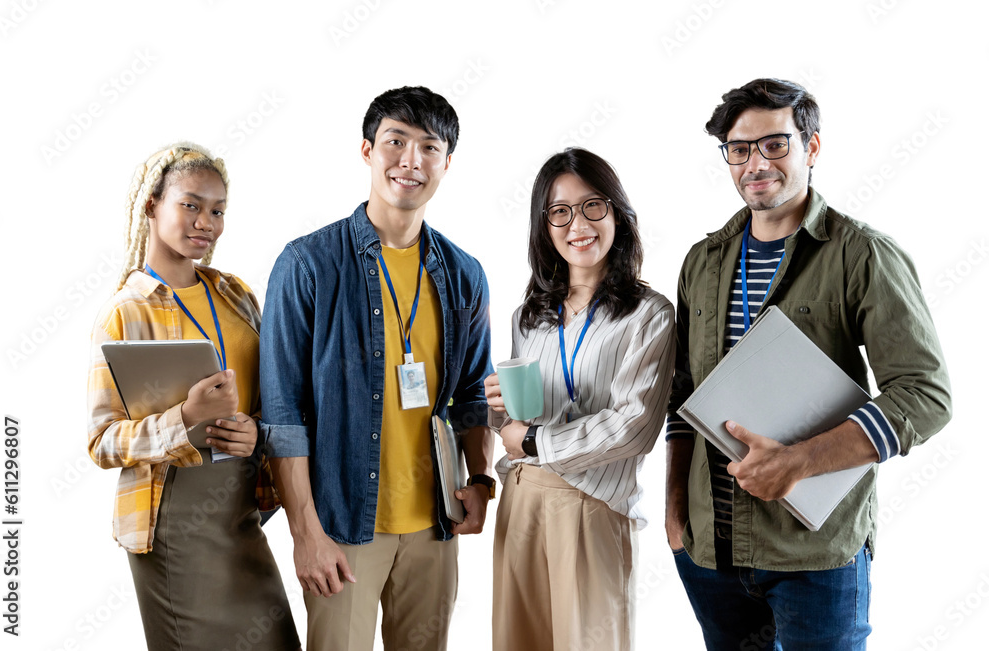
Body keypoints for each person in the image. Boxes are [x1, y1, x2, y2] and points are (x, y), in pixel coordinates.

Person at [664, 78, 952, 649]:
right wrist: (675, 508)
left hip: (813, 557)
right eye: (739, 149)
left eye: (775, 144)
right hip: (710, 551)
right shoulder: (703, 261)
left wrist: (799, 462)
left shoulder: (861, 254)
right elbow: (683, 391)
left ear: (811, 147)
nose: (755, 163)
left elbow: (925, 394)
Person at [259, 86, 495, 651]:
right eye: (396, 142)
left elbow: (472, 395)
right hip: (343, 525)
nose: (410, 161)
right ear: (367, 151)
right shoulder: (307, 263)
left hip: (434, 525)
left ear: (447, 163)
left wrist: (482, 480)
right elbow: (283, 414)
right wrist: (305, 534)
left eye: (428, 148)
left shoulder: (464, 273)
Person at [86, 142, 300, 650]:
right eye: (191, 204)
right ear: (151, 205)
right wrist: (185, 417)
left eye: (218, 210)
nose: (206, 221)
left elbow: (274, 395)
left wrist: (256, 428)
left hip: (243, 509)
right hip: (173, 518)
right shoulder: (126, 311)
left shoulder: (235, 293)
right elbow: (102, 442)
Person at [484, 148, 675, 651]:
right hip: (521, 497)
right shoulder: (531, 314)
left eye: (593, 206)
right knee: (517, 642)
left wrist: (533, 441)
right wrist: (496, 408)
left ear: (617, 213)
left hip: (592, 504)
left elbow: (634, 426)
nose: (578, 225)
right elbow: (515, 421)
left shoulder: (648, 315)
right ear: (544, 226)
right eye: (560, 212)